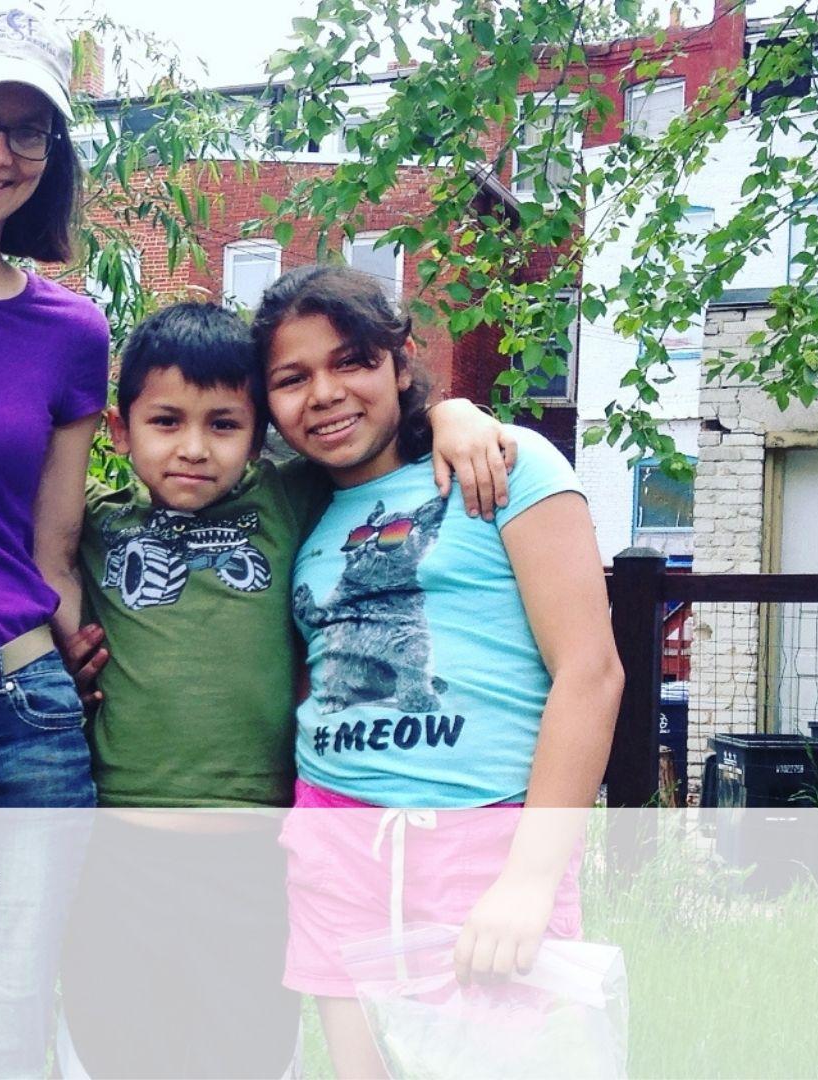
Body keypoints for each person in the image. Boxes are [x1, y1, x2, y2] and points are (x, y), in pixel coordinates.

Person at [58, 300, 515, 1077]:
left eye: (225, 425)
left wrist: (456, 414)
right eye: (166, 422)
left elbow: (382, 443)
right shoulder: (94, 523)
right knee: (112, 1051)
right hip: (118, 857)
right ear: (118, 429)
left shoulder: (289, 498)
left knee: (249, 1053)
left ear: (261, 432)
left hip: (262, 861)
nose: (194, 449)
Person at [254, 264, 622, 1078]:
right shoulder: (298, 507)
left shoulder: (504, 466)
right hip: (335, 837)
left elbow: (590, 673)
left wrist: (531, 877)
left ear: (401, 360)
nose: (324, 392)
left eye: (350, 360)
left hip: (483, 839)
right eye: (292, 377)